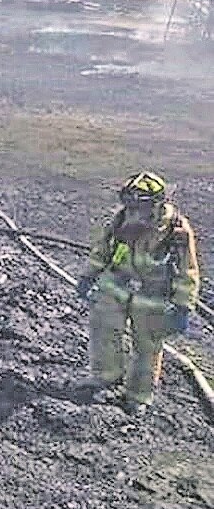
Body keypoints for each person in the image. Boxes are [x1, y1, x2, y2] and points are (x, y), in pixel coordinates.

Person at [77, 171, 200, 414]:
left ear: (156, 204)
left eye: (138, 206)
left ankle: (138, 396)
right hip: (115, 287)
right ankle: (106, 376)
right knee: (103, 331)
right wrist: (88, 275)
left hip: (151, 299)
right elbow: (103, 250)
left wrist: (184, 306)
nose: (134, 212)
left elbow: (188, 270)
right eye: (129, 204)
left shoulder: (176, 231)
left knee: (147, 347)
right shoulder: (120, 220)